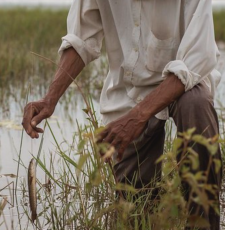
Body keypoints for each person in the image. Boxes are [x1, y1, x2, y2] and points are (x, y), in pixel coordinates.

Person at [22, 0, 223, 229]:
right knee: (137, 209)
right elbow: (81, 40)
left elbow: (198, 59)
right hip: (128, 95)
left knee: (196, 104)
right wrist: (50, 99)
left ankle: (203, 223)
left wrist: (137, 117)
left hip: (185, 84)